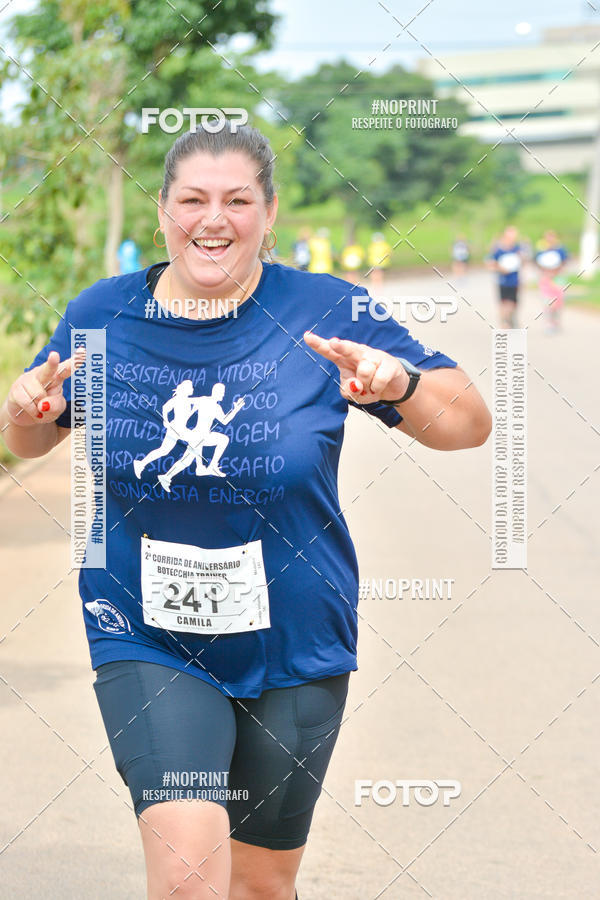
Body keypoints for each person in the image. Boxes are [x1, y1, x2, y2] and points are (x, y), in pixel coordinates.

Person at [0, 123, 491, 900]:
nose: (213, 218)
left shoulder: (327, 309)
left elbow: (469, 424)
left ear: (268, 212)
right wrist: (26, 408)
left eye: (237, 200)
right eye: (193, 199)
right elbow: (29, 435)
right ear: (163, 211)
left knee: (259, 885)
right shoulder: (104, 314)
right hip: (147, 632)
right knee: (192, 875)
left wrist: (398, 383)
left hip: (296, 639)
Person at [486, 225, 524, 328]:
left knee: (513, 304)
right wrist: (500, 268)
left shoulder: (517, 249)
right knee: (504, 303)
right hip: (502, 281)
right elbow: (490, 264)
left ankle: (509, 319)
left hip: (514, 281)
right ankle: (504, 322)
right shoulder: (498, 250)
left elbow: (522, 263)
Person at [534, 230, 569, 333]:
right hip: (545, 279)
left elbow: (564, 262)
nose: (550, 239)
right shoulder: (541, 250)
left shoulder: (561, 250)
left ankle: (556, 321)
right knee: (548, 302)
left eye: (551, 237)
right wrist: (546, 273)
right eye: (547, 237)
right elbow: (537, 263)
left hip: (558, 279)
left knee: (558, 303)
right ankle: (549, 323)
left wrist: (556, 272)